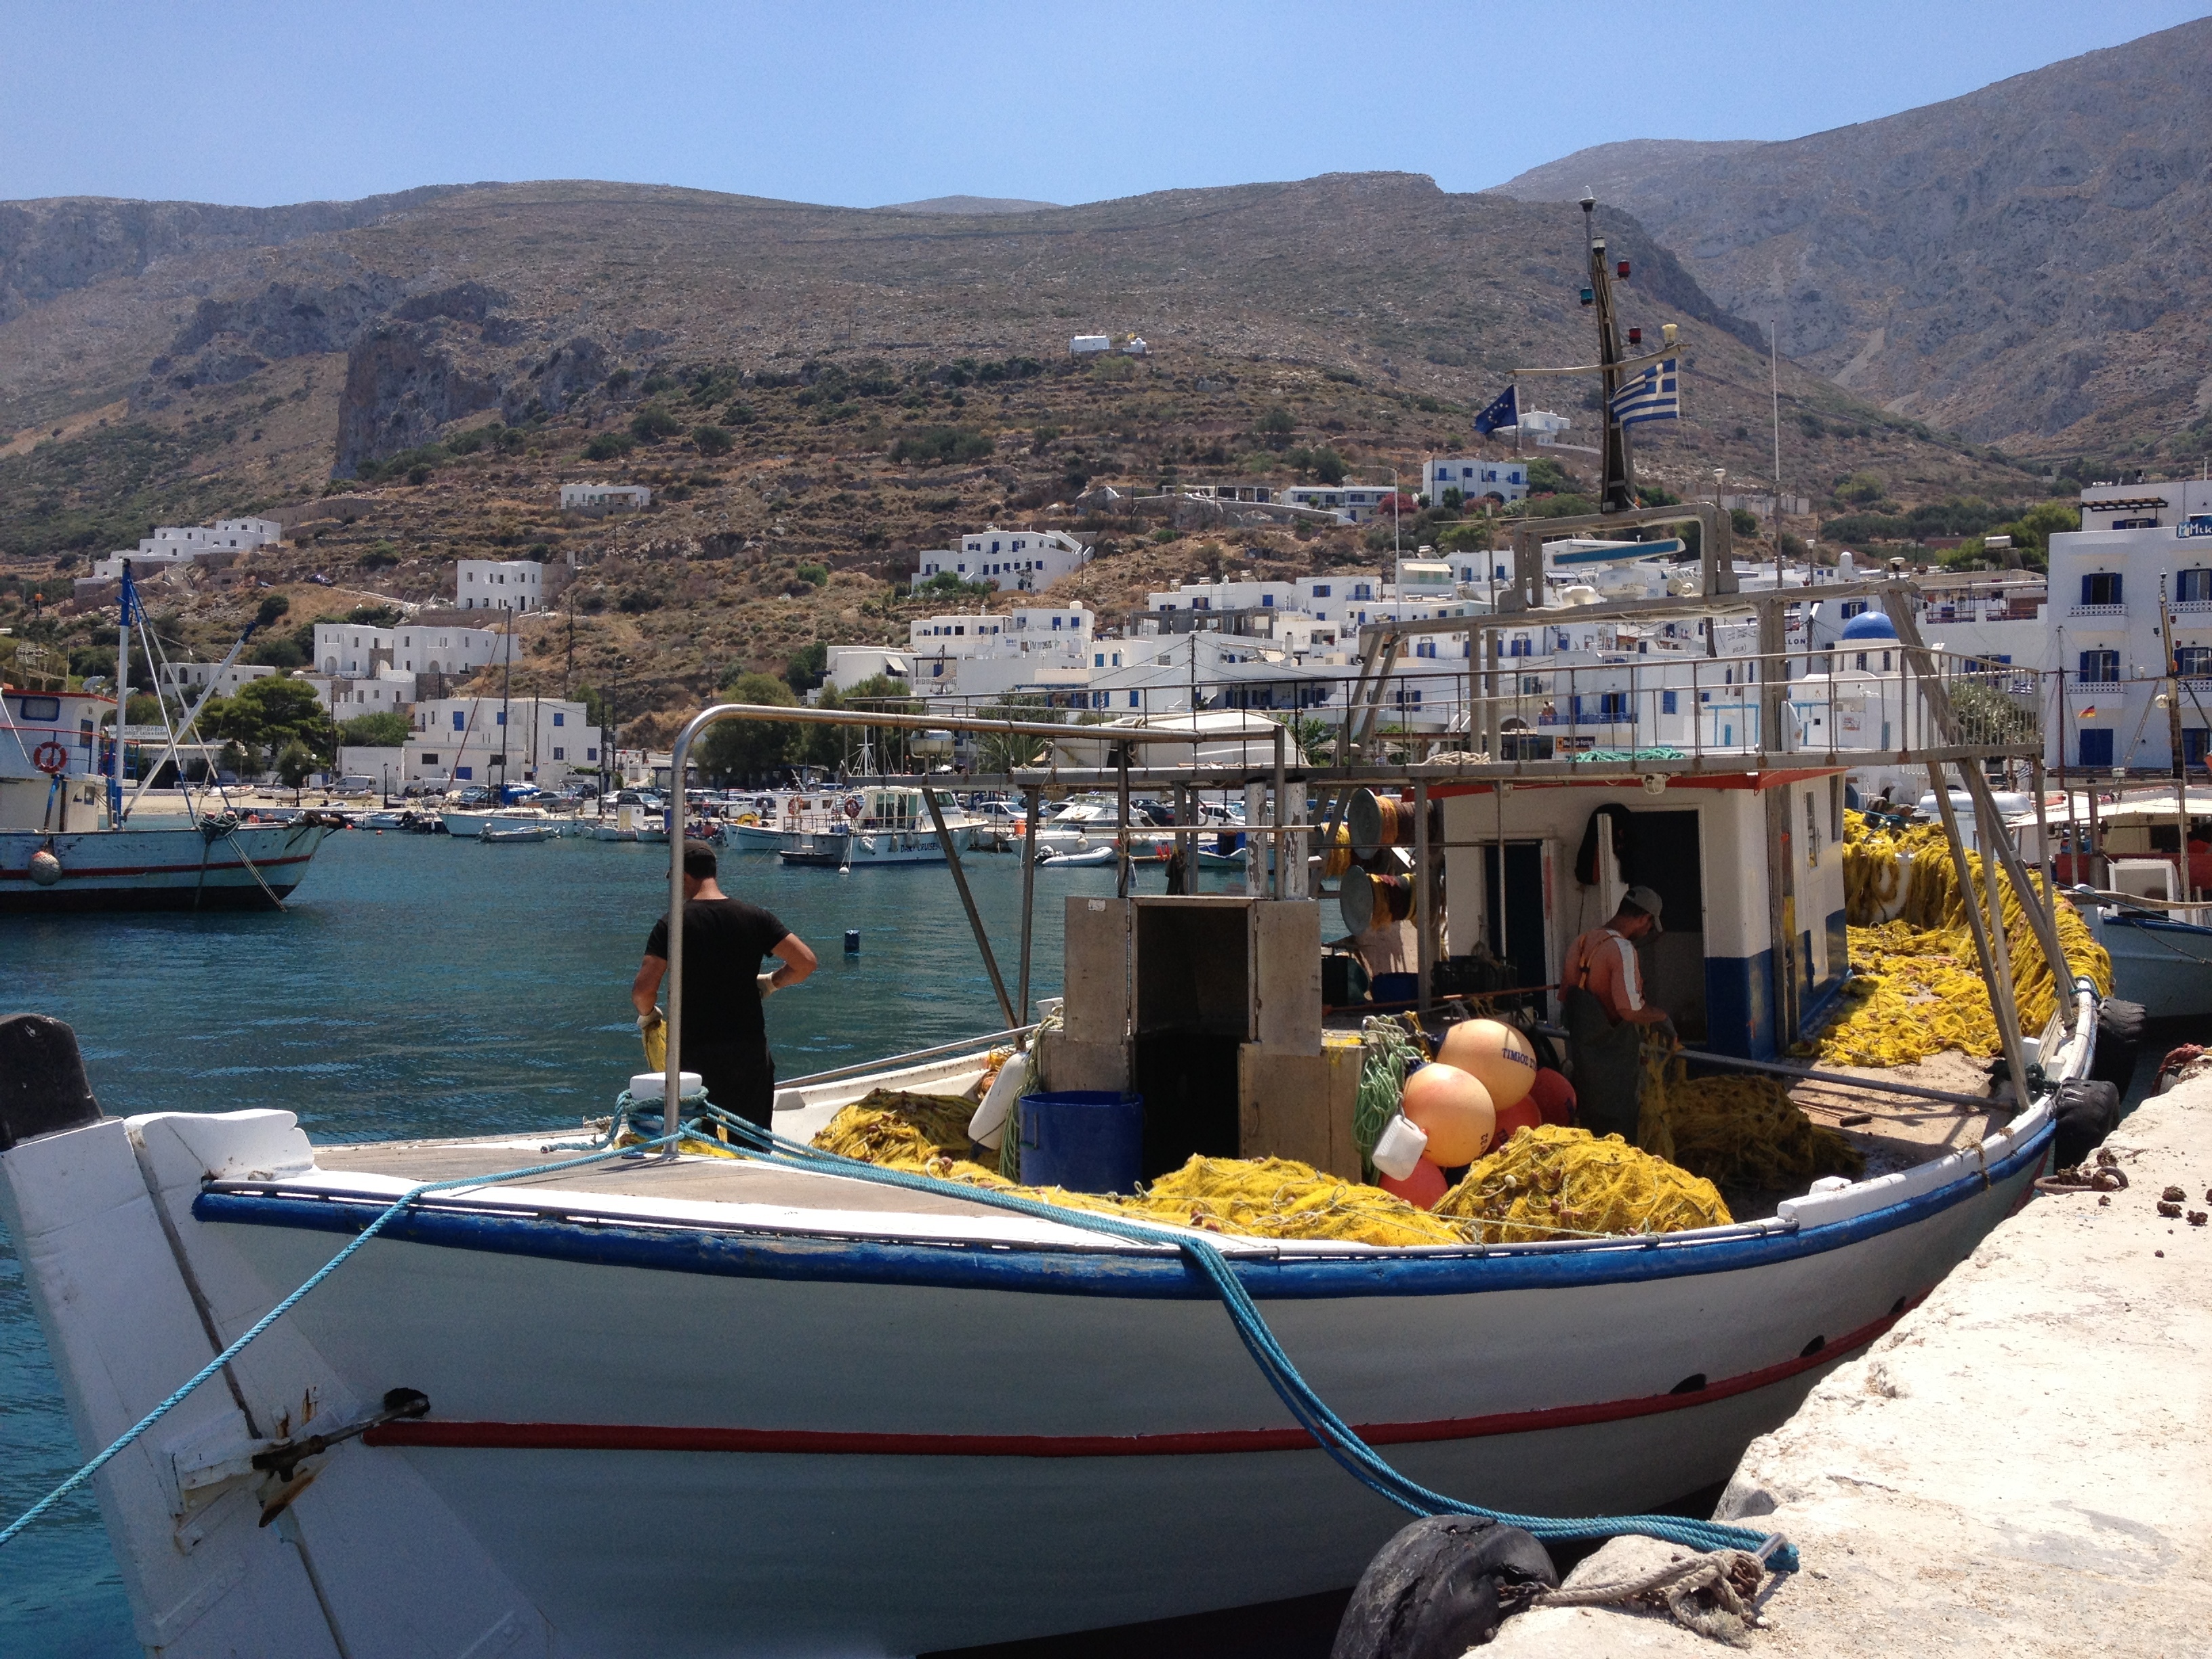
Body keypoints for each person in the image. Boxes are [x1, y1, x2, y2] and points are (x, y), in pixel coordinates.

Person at [632, 840, 816, 1129]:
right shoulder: (755, 917)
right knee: (751, 1145)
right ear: (713, 872)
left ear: (683, 876)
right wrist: (771, 982)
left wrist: (649, 1016)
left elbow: (643, 991)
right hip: (748, 1052)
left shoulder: (672, 925)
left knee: (699, 1144)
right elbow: (805, 963)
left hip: (695, 1057)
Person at [1559, 886, 1673, 1141]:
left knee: (1591, 1129)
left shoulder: (1581, 943)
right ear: (1644, 918)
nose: (1648, 931)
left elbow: (1567, 1000)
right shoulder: (1622, 950)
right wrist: (1661, 1018)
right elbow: (1629, 1011)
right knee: (1618, 1133)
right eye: (1649, 925)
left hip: (1585, 1065)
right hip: (1614, 1067)